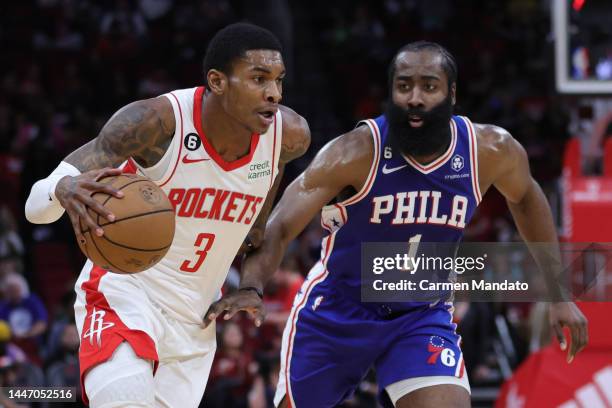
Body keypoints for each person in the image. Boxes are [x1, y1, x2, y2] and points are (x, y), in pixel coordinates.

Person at [206, 41, 589, 408]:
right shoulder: (356, 151)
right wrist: (253, 285)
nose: (415, 98)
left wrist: (560, 294)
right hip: (338, 310)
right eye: (403, 86)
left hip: (420, 315)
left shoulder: (488, 150)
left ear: (451, 93)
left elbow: (526, 198)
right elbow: (282, 225)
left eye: (429, 86)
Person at [24, 22, 310, 407]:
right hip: (125, 294)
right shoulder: (155, 123)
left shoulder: (287, 138)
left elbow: (255, 235)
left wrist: (251, 286)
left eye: (279, 80)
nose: (273, 93)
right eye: (259, 79)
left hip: (196, 321)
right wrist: (63, 188)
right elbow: (33, 209)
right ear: (217, 81)